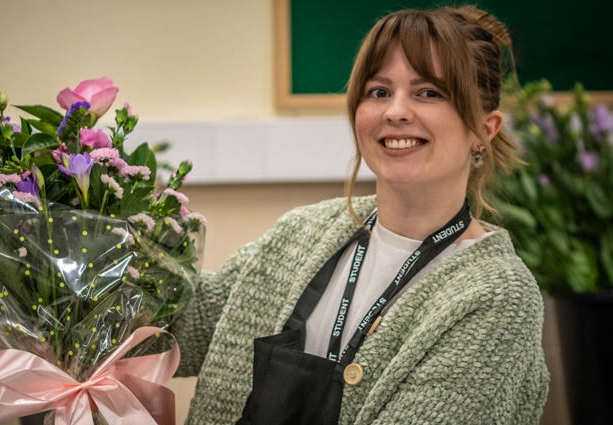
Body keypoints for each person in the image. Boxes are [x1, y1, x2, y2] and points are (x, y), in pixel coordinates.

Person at [166, 5, 549, 424]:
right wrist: (105, 222)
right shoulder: (300, 234)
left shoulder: (497, 297)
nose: (395, 112)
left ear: (484, 129)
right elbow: (182, 326)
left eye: (429, 93)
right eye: (379, 92)